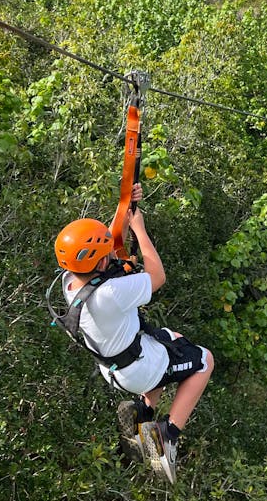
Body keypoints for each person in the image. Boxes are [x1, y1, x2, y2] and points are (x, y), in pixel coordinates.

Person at [54, 183, 213, 484]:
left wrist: (125, 207)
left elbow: (109, 245)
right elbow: (157, 276)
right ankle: (167, 436)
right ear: (99, 261)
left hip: (113, 367)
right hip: (138, 370)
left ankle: (142, 411)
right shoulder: (112, 293)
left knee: (172, 339)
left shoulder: (70, 282)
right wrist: (139, 229)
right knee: (204, 361)